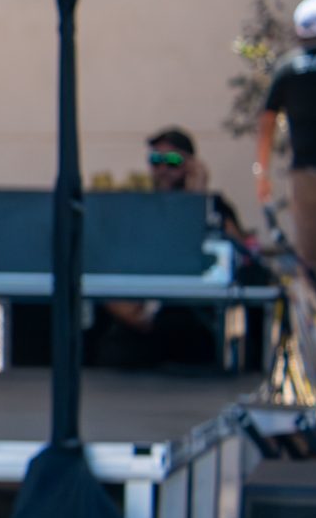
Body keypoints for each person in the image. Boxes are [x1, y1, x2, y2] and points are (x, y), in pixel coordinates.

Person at [95, 127, 242, 369]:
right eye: (156, 161)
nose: (163, 169)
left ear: (191, 165)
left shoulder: (212, 206)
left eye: (172, 160)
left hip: (192, 311)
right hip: (144, 312)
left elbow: (236, 247)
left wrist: (196, 198)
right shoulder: (140, 206)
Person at [257, 0, 316, 281]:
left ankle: (314, 324)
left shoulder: (288, 68)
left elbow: (266, 121)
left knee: (309, 258)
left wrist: (262, 172)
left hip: (306, 172)